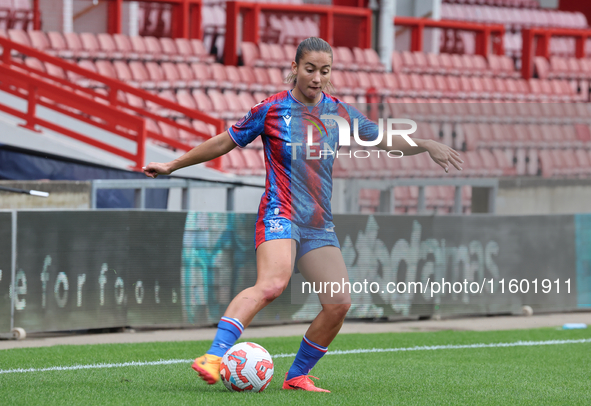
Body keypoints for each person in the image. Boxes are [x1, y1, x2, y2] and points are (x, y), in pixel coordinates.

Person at [143, 37, 463, 392]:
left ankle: (296, 376)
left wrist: (425, 145)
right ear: (295, 68)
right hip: (280, 213)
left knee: (339, 303)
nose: (317, 78)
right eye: (310, 69)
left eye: (324, 71)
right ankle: (215, 356)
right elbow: (224, 141)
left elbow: (382, 138)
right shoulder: (270, 109)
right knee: (273, 284)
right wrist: (173, 164)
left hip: (317, 224)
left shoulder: (338, 112)